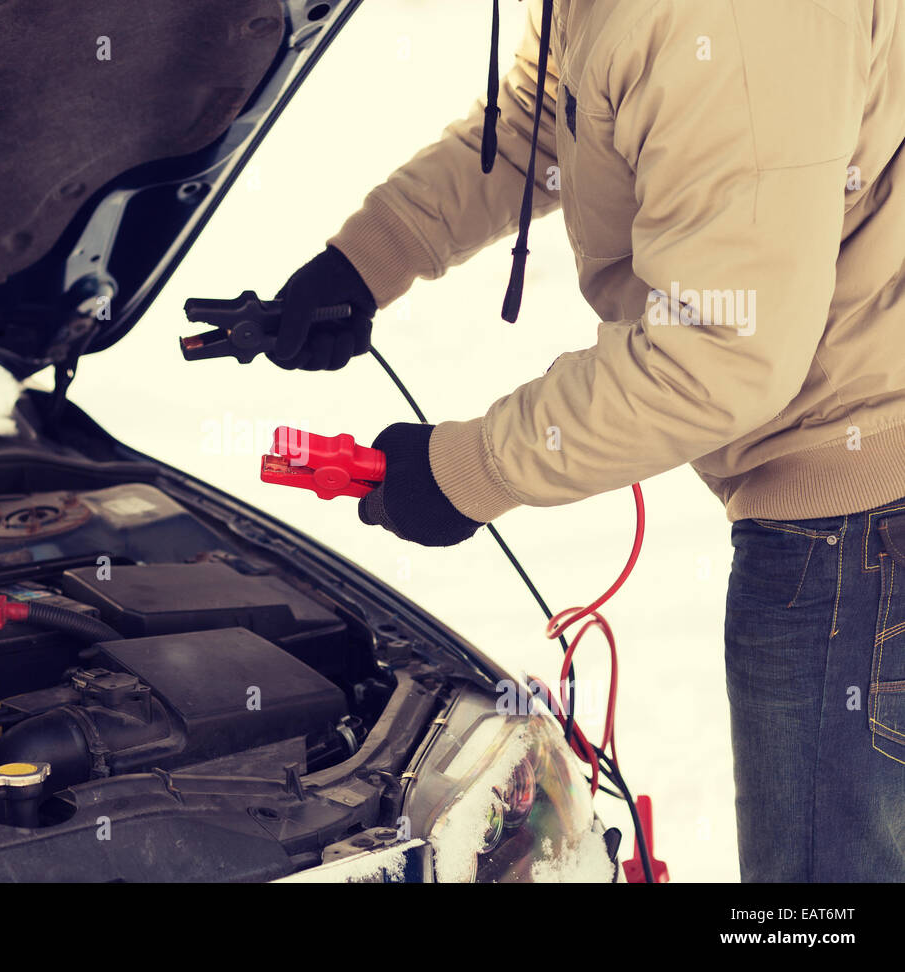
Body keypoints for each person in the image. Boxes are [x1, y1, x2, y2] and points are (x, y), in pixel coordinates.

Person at [263, 0, 905, 882]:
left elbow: (720, 350)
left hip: (862, 530)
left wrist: (468, 469)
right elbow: (546, 118)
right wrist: (372, 257)